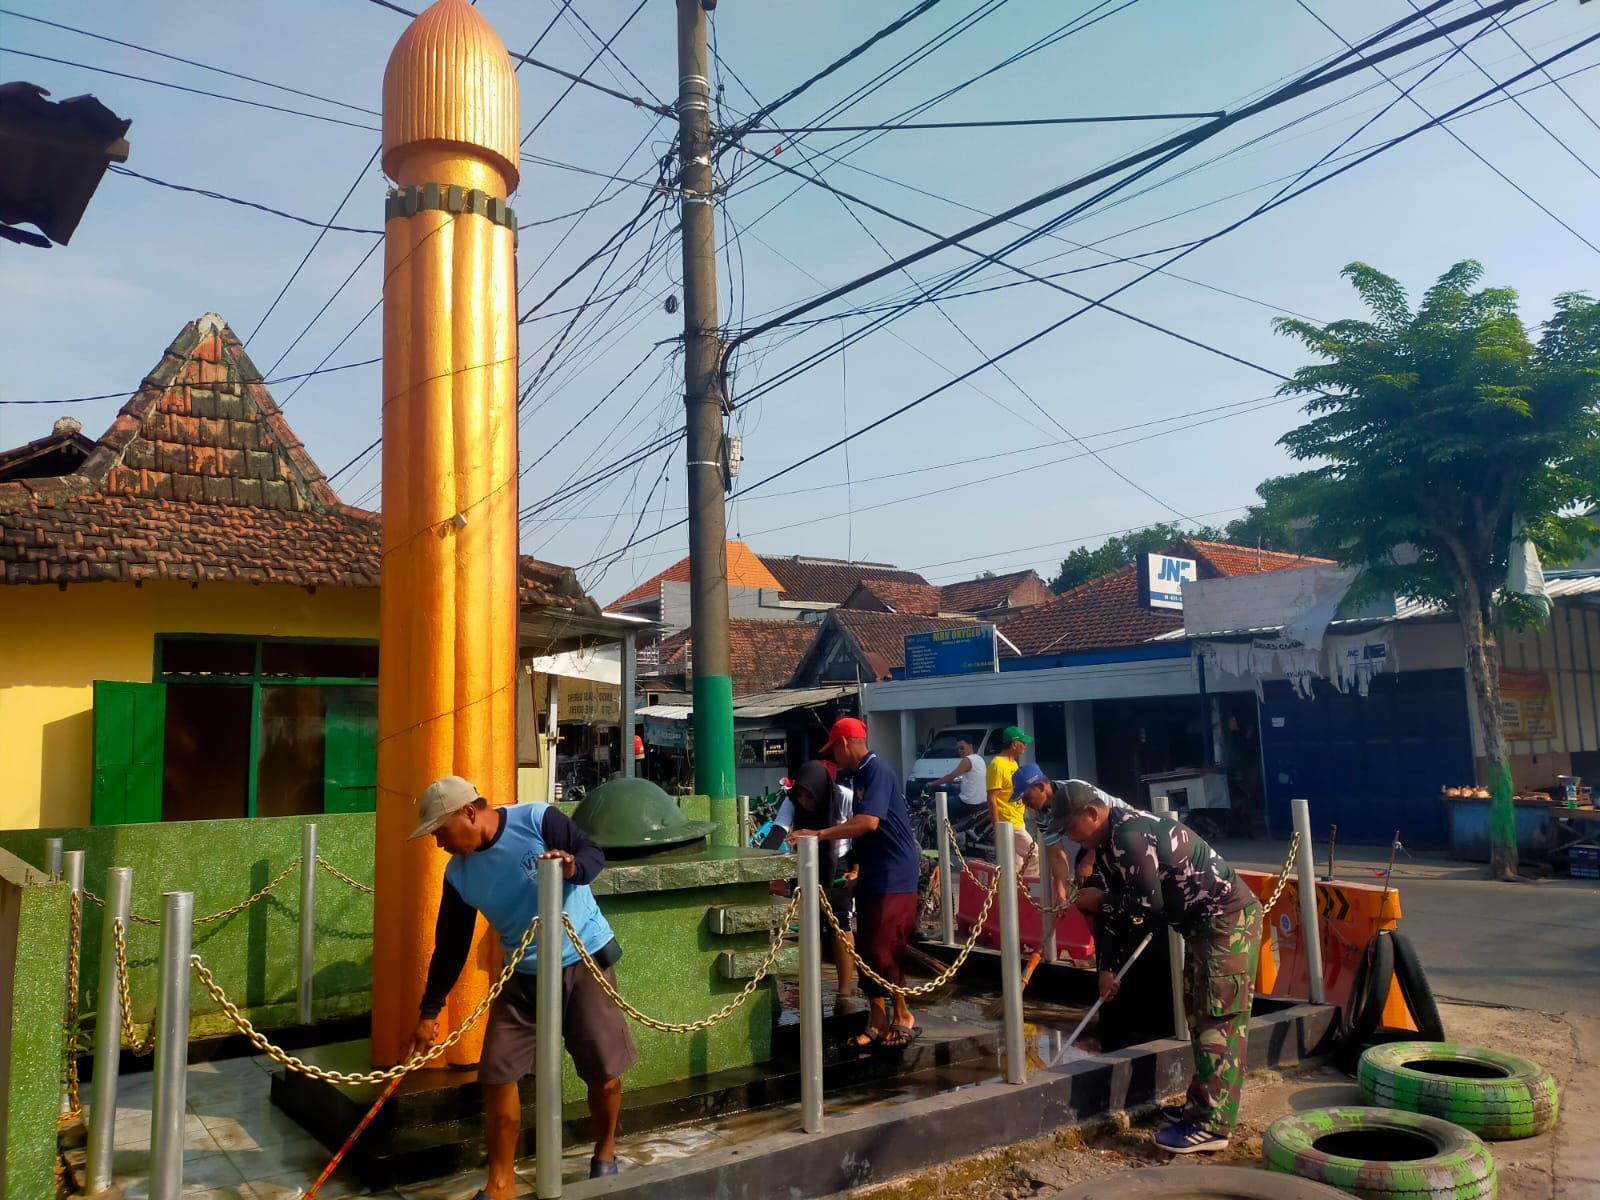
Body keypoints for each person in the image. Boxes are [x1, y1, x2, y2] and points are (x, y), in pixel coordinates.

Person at [407, 776, 638, 1196]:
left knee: (603, 1071)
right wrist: (429, 1010)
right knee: (496, 1075)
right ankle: (501, 1182)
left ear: (469, 813)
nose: (439, 844)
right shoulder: (458, 875)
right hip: (523, 972)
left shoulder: (536, 819)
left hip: (583, 960)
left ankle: (604, 1153)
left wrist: (572, 866)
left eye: (440, 832)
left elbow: (592, 852)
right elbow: (451, 946)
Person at [1053, 785, 1261, 1155]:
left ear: (1092, 813)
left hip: (1227, 922)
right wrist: (1107, 969)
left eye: (1070, 826)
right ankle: (1202, 1104)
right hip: (1201, 928)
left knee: (1219, 1019)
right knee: (1198, 1013)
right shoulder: (1103, 849)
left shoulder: (1130, 835)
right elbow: (1113, 917)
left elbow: (1148, 904)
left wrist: (1102, 900)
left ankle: (1211, 1125)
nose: (1069, 836)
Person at [797, 717, 923, 1051]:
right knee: (868, 948)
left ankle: (903, 1014)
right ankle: (876, 1019)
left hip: (895, 872)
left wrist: (820, 834)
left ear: (844, 744)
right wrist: (855, 865)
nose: (834, 759)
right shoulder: (858, 776)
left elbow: (868, 822)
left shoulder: (876, 771)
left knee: (886, 945)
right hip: (872, 868)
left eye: (834, 751)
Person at [760, 759, 861, 1013]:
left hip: (839, 864)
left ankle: (845, 990)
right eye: (801, 795)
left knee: (840, 925)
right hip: (806, 865)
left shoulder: (845, 798)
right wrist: (759, 865)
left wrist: (857, 869)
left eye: (809, 796)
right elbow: (777, 832)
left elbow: (861, 832)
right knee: (809, 926)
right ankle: (810, 986)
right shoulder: (791, 800)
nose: (804, 801)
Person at [1012, 768, 1130, 906]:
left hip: (1123, 832)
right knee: (1083, 888)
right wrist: (1061, 892)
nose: (1025, 804)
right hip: (1093, 841)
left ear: (1040, 787)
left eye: (1026, 797)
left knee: (1110, 888)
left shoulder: (1077, 791)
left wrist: (1088, 862)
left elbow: (1104, 824)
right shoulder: (1041, 815)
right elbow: (1056, 854)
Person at [985, 725, 1036, 873]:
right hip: (1008, 823)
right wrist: (997, 827)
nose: (1025, 746)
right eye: (1023, 742)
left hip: (1018, 819)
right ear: (1014, 744)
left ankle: (1017, 892)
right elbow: (992, 798)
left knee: (1015, 866)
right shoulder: (997, 765)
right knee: (1035, 855)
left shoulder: (1013, 763)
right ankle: (1030, 888)